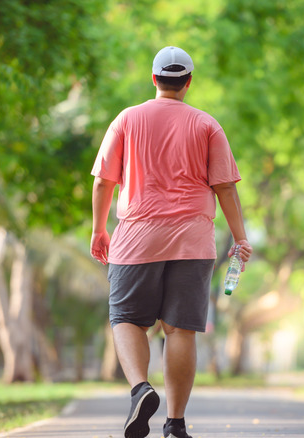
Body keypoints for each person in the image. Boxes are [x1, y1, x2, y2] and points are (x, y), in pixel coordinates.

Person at [90, 46, 252, 438]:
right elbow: (225, 188)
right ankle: (175, 424)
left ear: (154, 78)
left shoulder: (127, 119)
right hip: (192, 240)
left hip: (137, 238)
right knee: (180, 330)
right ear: (188, 83)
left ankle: (141, 389)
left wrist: (98, 229)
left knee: (126, 319)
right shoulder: (206, 124)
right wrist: (241, 237)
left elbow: (102, 181)